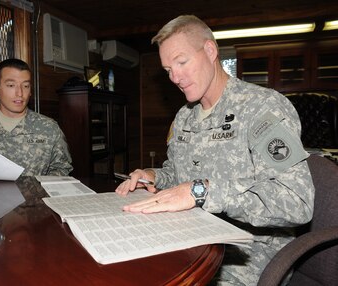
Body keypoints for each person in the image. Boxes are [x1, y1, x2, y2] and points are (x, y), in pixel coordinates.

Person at [115, 15, 314, 285]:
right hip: (191, 241)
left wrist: (201, 191)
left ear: (210, 51)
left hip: (246, 258)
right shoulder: (184, 117)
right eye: (168, 69)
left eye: (182, 62)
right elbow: (177, 172)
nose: (175, 77)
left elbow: (297, 201)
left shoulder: (262, 108)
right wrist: (153, 177)